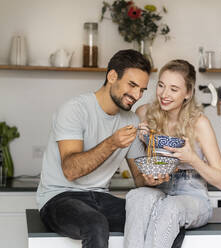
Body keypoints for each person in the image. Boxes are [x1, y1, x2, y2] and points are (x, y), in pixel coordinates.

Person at [36, 49, 151, 248]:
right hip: (59, 197)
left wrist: (154, 177)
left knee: (157, 219)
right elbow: (71, 170)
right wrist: (112, 143)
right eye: (132, 85)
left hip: (100, 198)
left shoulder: (131, 120)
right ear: (112, 76)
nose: (137, 95)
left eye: (142, 90)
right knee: (96, 224)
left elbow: (139, 178)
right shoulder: (74, 110)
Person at [124, 59, 221, 248]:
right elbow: (139, 175)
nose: (164, 94)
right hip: (158, 188)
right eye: (161, 86)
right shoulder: (143, 113)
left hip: (192, 195)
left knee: (170, 208)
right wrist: (140, 138)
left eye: (173, 89)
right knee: (137, 197)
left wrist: (192, 159)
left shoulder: (199, 123)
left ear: (188, 93)